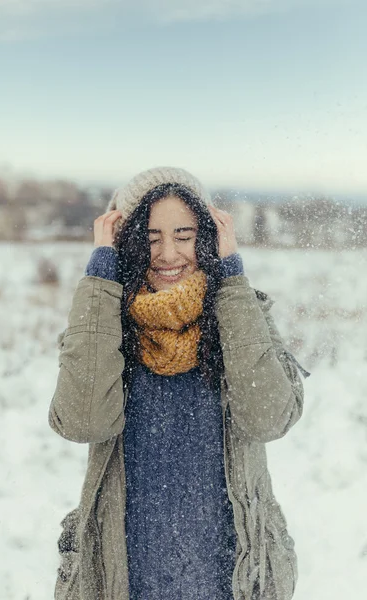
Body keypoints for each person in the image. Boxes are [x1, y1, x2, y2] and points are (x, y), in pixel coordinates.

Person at [48, 166, 309, 600]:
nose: (168, 254)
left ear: (205, 238)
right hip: (123, 584)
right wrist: (100, 276)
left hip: (232, 584)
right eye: (151, 238)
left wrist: (231, 278)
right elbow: (83, 422)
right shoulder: (105, 325)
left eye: (184, 235)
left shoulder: (240, 316)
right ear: (129, 244)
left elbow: (268, 419)